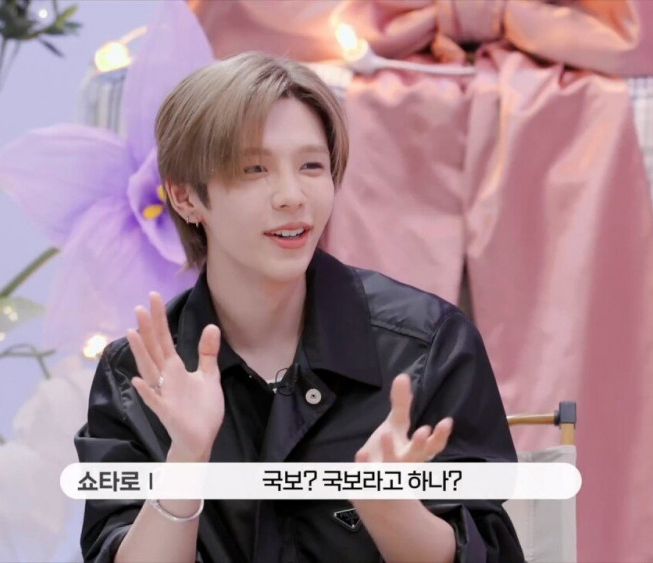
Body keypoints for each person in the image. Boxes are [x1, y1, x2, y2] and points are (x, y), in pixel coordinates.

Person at [74, 52, 523, 563]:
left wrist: (390, 509)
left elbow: (492, 551)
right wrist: (187, 458)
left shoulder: (427, 346)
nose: (292, 196)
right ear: (184, 196)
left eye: (312, 166)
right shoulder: (135, 378)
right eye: (254, 169)